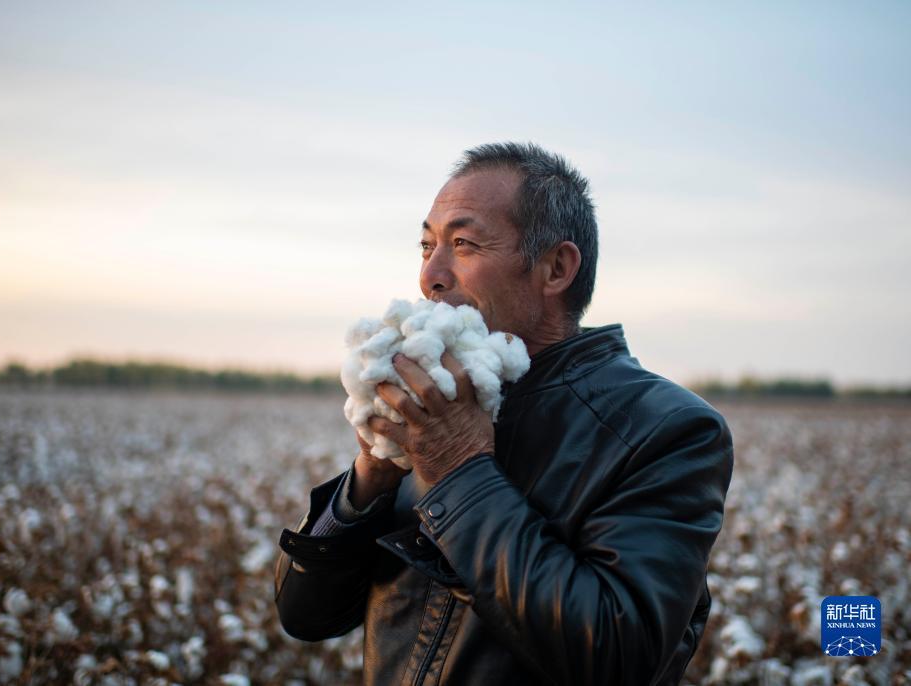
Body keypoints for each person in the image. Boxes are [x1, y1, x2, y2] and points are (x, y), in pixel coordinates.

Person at [273, 142, 734, 685]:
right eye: (426, 246)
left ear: (556, 268)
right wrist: (369, 480)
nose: (431, 276)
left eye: (463, 244)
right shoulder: (442, 403)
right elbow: (305, 617)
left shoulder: (665, 430)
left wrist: (459, 470)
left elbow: (617, 657)